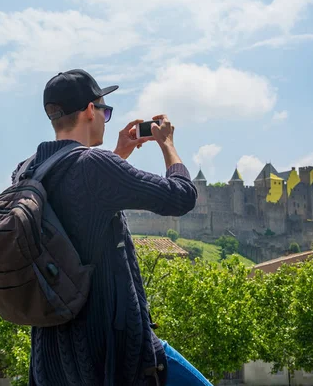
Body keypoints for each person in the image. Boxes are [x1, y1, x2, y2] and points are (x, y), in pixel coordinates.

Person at [17, 69, 211, 386]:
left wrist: (118, 155)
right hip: (112, 355)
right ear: (91, 111)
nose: (106, 118)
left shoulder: (28, 170)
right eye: (105, 110)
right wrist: (168, 145)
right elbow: (181, 197)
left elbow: (81, 209)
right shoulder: (94, 168)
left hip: (50, 357)